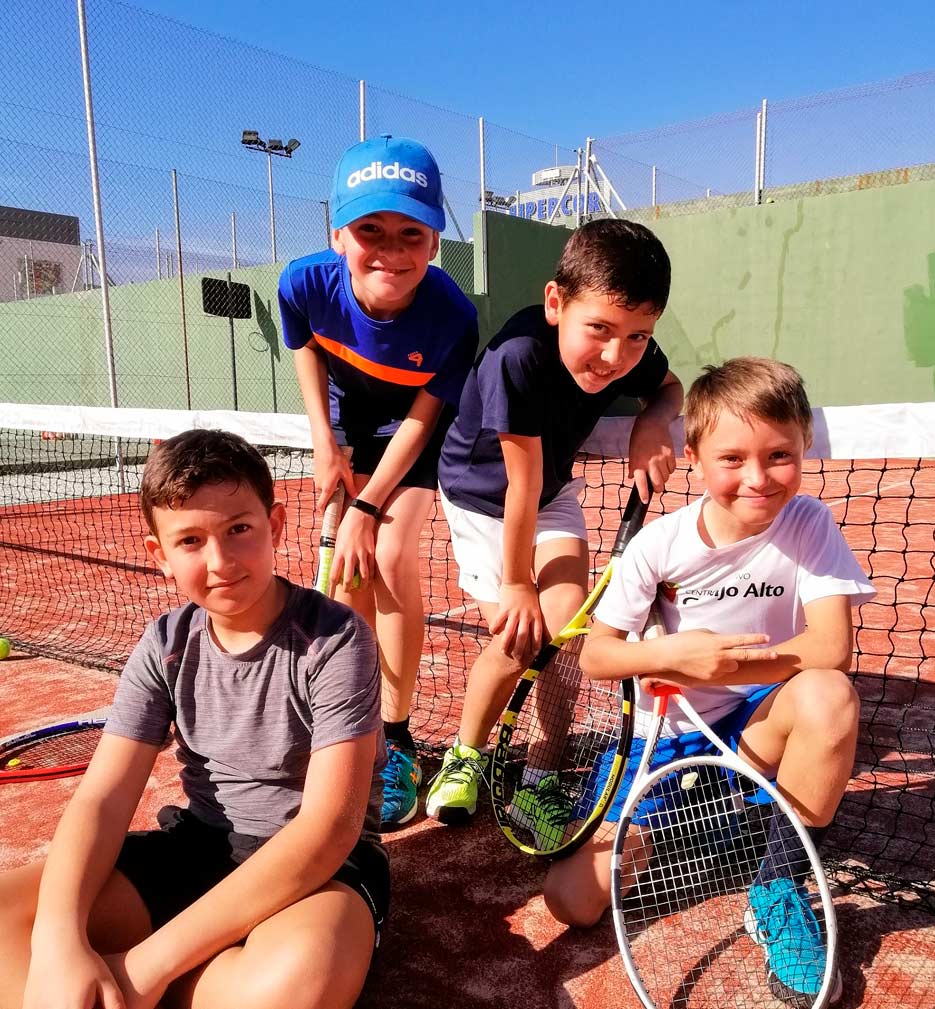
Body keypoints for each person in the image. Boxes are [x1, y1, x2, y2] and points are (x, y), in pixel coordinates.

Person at [0, 429, 388, 1009]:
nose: (220, 562)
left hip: (318, 872)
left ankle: (116, 988)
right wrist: (59, 945)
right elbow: (103, 797)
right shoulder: (166, 644)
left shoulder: (336, 640)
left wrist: (143, 969)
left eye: (239, 530)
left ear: (275, 525)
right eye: (190, 540)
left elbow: (328, 829)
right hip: (201, 847)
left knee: (300, 977)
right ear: (160, 555)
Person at [548, 357, 874, 1006]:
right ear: (693, 456)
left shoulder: (808, 523)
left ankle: (775, 887)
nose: (757, 478)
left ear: (804, 445)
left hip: (754, 726)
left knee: (829, 696)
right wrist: (671, 655)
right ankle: (699, 819)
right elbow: (597, 656)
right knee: (571, 902)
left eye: (779, 455)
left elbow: (831, 647)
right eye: (732, 459)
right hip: (664, 740)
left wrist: (720, 667)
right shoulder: (659, 546)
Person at [426, 219, 684, 826]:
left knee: (566, 628)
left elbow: (670, 388)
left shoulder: (627, 353)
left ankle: (542, 773)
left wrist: (652, 421)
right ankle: (466, 756)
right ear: (555, 303)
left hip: (551, 493)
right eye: (599, 330)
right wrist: (516, 584)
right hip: (482, 499)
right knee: (520, 637)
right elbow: (519, 484)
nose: (616, 356)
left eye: (638, 336)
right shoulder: (517, 356)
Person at [279, 134, 479, 828]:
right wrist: (324, 440)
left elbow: (424, 417)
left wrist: (366, 505)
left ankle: (397, 741)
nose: (391, 250)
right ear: (337, 234)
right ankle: (353, 725)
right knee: (348, 576)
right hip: (348, 425)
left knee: (389, 557)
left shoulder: (453, 318)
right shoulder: (303, 283)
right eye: (370, 229)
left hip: (412, 434)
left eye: (411, 233)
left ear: (434, 242)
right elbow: (305, 347)